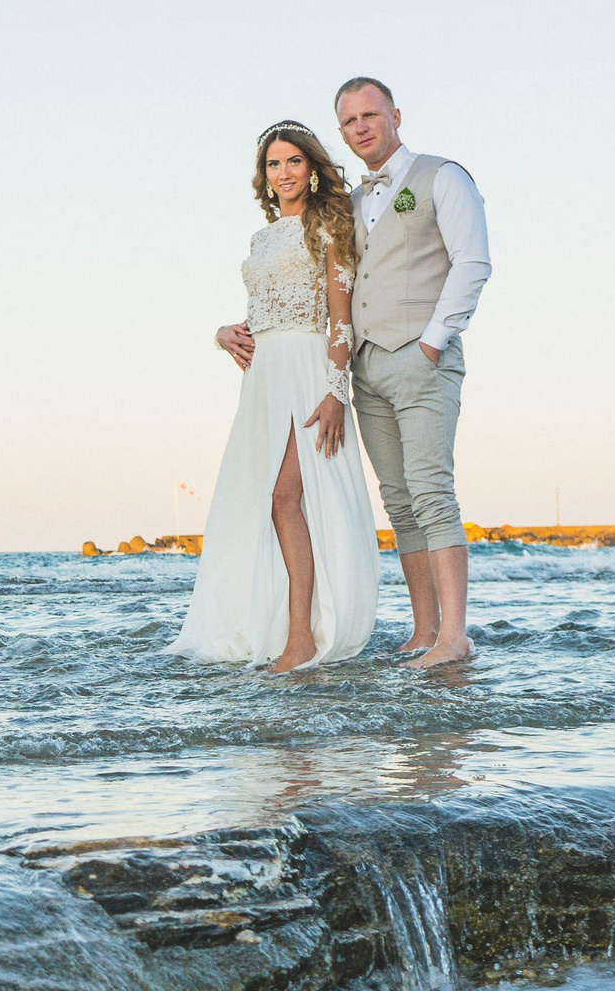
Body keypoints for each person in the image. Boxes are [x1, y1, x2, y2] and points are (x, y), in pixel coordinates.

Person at [216, 78, 491, 668]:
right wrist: (227, 332)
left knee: (431, 492)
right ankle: (423, 632)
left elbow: (472, 262)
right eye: (349, 121)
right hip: (364, 366)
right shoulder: (352, 204)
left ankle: (453, 637)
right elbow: (293, 293)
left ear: (396, 115)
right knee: (399, 501)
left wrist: (432, 343)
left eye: (370, 115)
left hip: (417, 357)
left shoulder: (442, 177)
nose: (361, 127)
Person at [171, 121, 381, 670]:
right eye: (272, 164)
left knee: (285, 497)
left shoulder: (329, 224)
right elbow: (264, 309)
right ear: (263, 175)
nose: (282, 172)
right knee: (262, 500)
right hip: (263, 377)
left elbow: (340, 318)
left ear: (310, 169)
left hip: (307, 369)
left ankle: (302, 639)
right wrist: (223, 334)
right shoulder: (261, 239)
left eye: (293, 161)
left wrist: (335, 393)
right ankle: (274, 625)